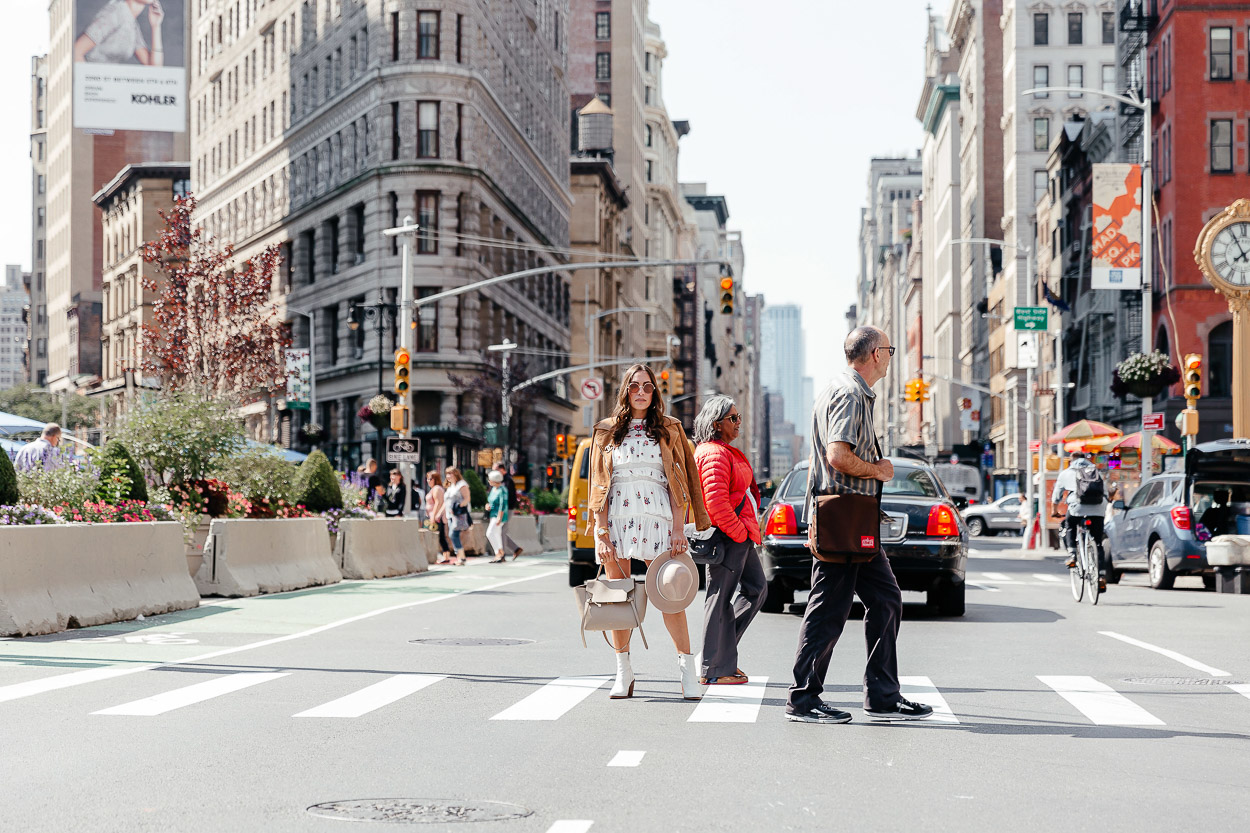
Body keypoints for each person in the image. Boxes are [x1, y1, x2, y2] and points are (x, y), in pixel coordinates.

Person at [786, 326, 934, 725]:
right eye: (888, 349)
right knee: (828, 608)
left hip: (855, 519)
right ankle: (803, 698)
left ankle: (883, 695)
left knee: (886, 599)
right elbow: (838, 455)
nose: (890, 355)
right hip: (843, 519)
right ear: (872, 354)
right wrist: (880, 471)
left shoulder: (850, 390)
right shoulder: (850, 394)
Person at [589, 364, 711, 700]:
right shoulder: (605, 431)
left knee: (671, 594)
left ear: (655, 391)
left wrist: (678, 528)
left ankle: (687, 671)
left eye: (647, 386)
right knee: (618, 597)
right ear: (625, 391)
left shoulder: (670, 428)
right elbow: (599, 484)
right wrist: (601, 532)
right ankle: (623, 672)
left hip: (657, 518)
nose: (641, 392)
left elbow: (680, 482)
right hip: (617, 518)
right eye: (634, 386)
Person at [693, 395, 766, 687]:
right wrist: (738, 532)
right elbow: (715, 502)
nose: (739, 423)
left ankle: (719, 653)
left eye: (738, 417)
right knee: (720, 598)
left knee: (756, 589)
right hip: (728, 537)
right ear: (716, 424)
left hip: (741, 535)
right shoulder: (714, 454)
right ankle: (713, 668)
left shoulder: (726, 451)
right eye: (733, 418)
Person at [1052, 452, 1108, 584]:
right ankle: (1101, 575)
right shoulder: (1095, 471)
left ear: (1071, 460)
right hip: (1098, 507)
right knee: (1098, 542)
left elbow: (1056, 496)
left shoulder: (1066, 473)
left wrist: (1054, 511)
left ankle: (1072, 555)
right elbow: (1105, 492)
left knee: (1069, 524)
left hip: (1077, 507)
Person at [74, 0, 166, 66]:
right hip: (93, 87)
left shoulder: (131, 23)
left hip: (107, 85)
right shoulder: (114, 13)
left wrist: (156, 26)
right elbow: (75, 52)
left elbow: (154, 67)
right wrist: (88, 86)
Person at [493, 462, 524, 558]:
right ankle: (515, 549)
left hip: (507, 509)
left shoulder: (507, 480)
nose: (494, 473)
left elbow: (505, 497)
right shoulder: (501, 480)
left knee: (501, 531)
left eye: (495, 470)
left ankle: (502, 554)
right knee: (500, 531)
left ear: (501, 470)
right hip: (503, 509)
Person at [442, 466, 471, 566]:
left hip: (459, 514)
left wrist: (458, 506)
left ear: (456, 474)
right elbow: (446, 502)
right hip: (450, 515)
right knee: (453, 535)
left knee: (453, 534)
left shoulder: (461, 485)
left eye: (450, 473)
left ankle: (461, 556)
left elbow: (467, 499)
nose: (448, 476)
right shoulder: (451, 486)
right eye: (447, 474)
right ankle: (460, 556)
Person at [424, 471, 453, 564]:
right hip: (434, 516)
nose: (428, 481)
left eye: (430, 479)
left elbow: (438, 502)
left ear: (435, 479)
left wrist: (434, 516)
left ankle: (446, 556)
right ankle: (444, 556)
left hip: (437, 517)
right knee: (440, 537)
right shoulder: (434, 489)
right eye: (427, 479)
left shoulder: (436, 488)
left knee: (440, 537)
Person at [486, 470, 511, 563]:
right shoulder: (493, 489)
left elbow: (503, 504)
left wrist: (499, 518)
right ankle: (500, 554)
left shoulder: (502, 490)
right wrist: (487, 506)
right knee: (496, 534)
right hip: (493, 514)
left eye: (490, 479)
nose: (489, 481)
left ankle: (498, 553)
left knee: (489, 533)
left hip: (499, 516)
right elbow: (491, 501)